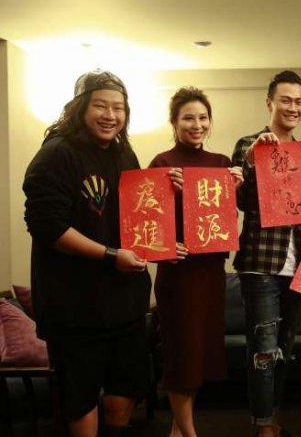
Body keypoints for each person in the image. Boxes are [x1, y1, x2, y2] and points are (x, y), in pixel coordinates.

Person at [23, 70, 151, 437]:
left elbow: (139, 212)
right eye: (100, 106)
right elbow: (47, 227)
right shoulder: (56, 154)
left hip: (125, 305)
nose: (110, 115)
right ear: (79, 108)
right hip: (75, 308)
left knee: (124, 391)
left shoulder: (124, 153)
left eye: (118, 108)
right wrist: (110, 255)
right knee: (80, 399)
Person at [148, 87, 244, 437]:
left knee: (200, 355)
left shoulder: (221, 163)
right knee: (182, 355)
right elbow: (146, 224)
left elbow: (224, 220)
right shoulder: (162, 163)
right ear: (174, 122)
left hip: (211, 271)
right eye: (188, 118)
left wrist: (235, 188)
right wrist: (166, 244)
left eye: (203, 118)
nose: (197, 124)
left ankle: (178, 428)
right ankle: (189, 433)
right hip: (178, 274)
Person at [231, 70, 301, 437]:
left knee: (285, 348)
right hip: (260, 263)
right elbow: (239, 201)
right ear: (270, 102)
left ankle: (271, 415)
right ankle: (263, 425)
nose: (293, 107)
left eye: (299, 102)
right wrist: (252, 161)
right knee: (263, 350)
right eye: (286, 100)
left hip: (296, 264)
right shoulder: (247, 145)